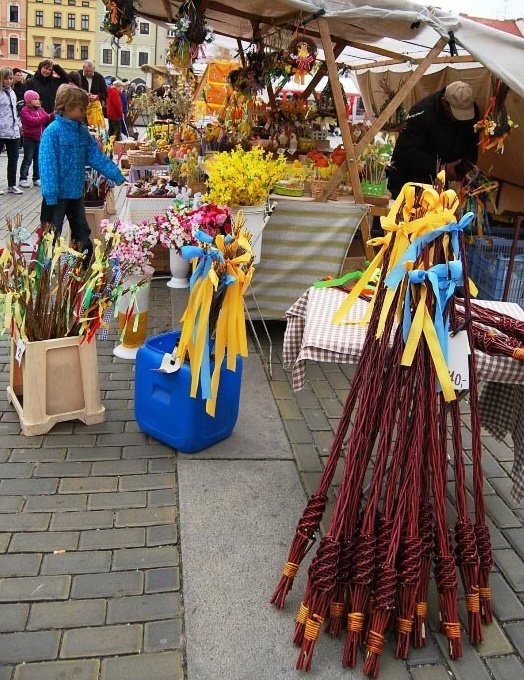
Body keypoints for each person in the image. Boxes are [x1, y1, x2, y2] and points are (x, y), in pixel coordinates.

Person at [39, 87, 125, 263]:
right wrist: (50, 193)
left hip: (75, 192)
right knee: (51, 233)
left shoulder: (81, 132)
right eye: (81, 108)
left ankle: (84, 265)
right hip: (55, 195)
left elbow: (95, 156)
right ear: (67, 107)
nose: (84, 112)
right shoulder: (53, 131)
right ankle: (44, 269)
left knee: (81, 230)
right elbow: (47, 163)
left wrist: (116, 174)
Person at [387, 81, 479, 198]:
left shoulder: (471, 111)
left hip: (439, 184)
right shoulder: (420, 112)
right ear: (444, 102)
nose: (460, 120)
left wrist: (467, 167)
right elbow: (406, 152)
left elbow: (471, 142)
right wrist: (442, 168)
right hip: (410, 182)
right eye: (457, 113)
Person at [19, 90, 54, 188]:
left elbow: (46, 118)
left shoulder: (40, 109)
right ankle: (23, 178)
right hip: (29, 139)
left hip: (39, 138)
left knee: (38, 159)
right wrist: (48, 116)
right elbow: (33, 121)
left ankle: (36, 178)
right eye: (35, 99)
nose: (38, 101)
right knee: (28, 159)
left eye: (38, 99)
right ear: (29, 101)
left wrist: (51, 116)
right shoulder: (25, 111)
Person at [0, 67, 23, 195]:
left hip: (13, 131)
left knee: (13, 158)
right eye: (6, 78)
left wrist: (18, 125)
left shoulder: (12, 93)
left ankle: (12, 184)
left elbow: (14, 111)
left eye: (10, 78)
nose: (8, 81)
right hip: (1, 130)